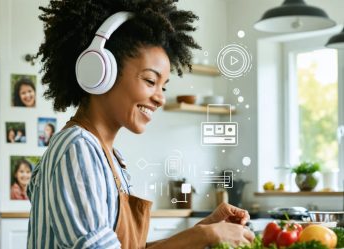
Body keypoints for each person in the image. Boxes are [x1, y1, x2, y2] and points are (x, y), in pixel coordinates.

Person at [27, 0, 255, 248]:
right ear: (101, 72)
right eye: (150, 80)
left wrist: (204, 229)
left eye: (163, 86)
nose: (160, 98)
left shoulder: (110, 158)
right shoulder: (77, 149)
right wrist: (203, 237)